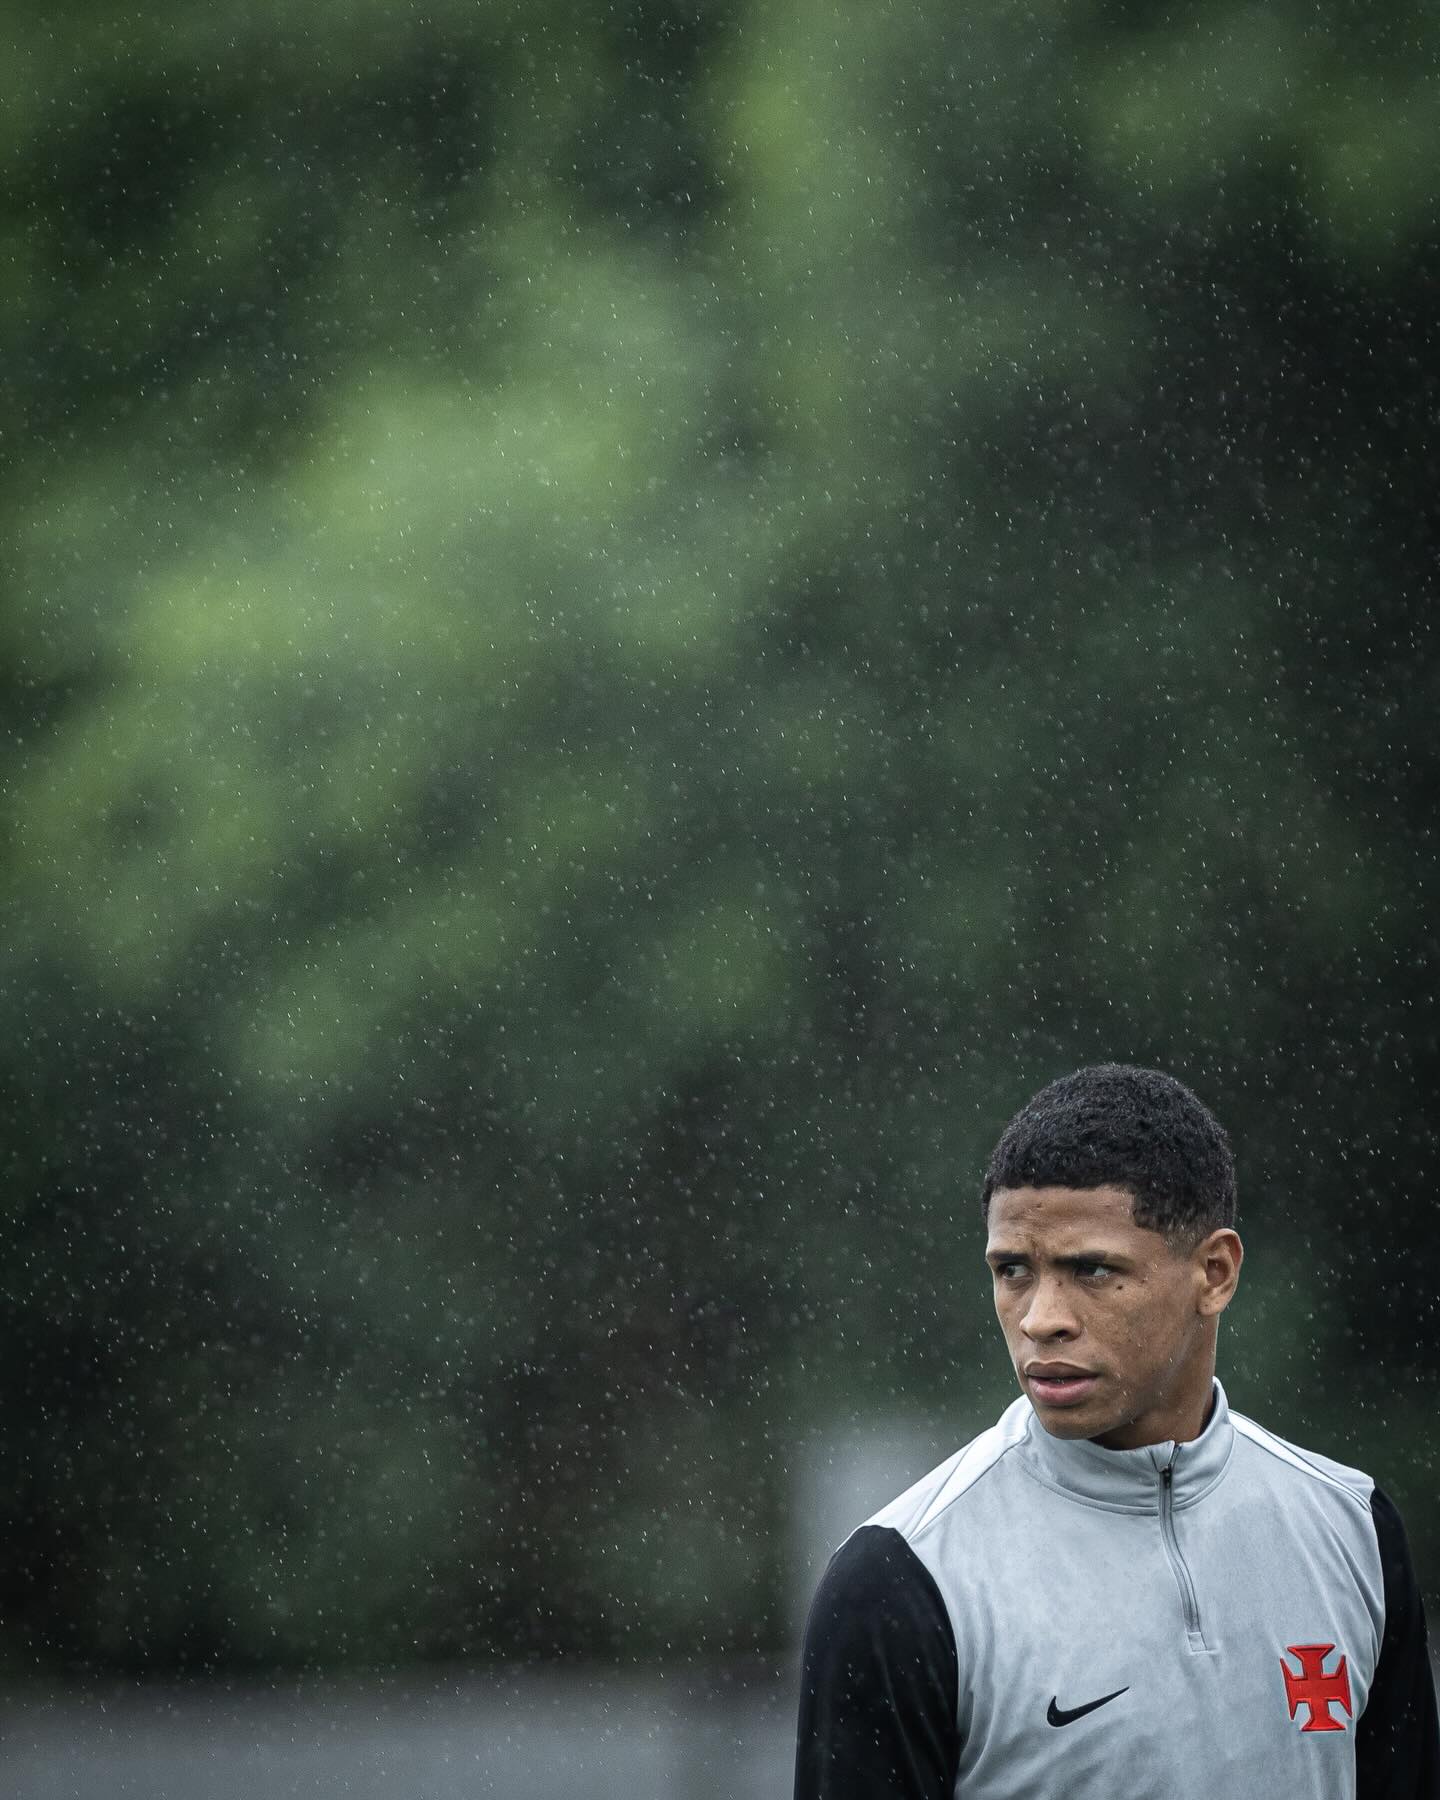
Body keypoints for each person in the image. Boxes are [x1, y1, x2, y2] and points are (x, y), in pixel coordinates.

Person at [793, 1063, 1439, 1799]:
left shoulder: (1353, 1529)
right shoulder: (901, 1579)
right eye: (1013, 1271)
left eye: (1093, 1270)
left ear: (1215, 1273)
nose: (1041, 1318)